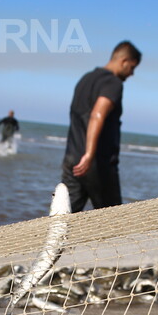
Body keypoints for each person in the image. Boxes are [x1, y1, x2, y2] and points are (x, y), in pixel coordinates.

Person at [62, 41, 141, 212]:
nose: (132, 74)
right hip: (97, 164)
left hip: (72, 160)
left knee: (64, 219)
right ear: (124, 61)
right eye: (132, 68)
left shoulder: (85, 79)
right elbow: (97, 115)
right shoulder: (113, 83)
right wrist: (90, 155)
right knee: (113, 221)